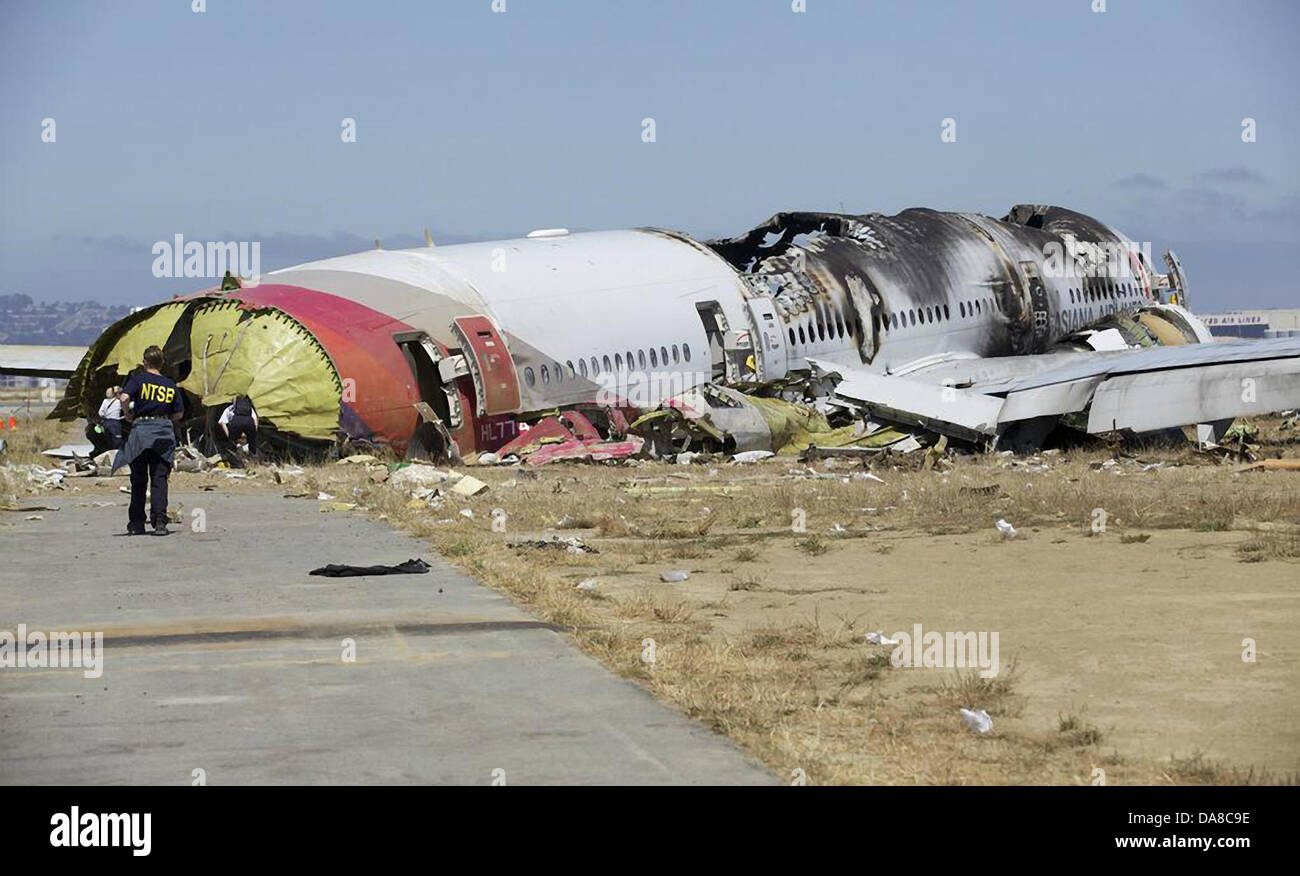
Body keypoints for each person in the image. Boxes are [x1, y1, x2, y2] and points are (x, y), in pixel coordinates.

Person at [111, 346, 184, 536]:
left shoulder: (138, 380)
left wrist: (128, 414)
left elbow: (124, 397)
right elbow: (179, 413)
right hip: (163, 434)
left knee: (139, 479)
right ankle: (160, 522)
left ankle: (136, 523)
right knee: (159, 479)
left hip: (141, 433)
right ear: (162, 363)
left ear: (144, 362)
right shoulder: (170, 384)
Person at [218, 394, 259, 460]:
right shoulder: (248, 408)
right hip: (249, 422)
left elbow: (221, 422)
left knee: (231, 445)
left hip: (236, 422)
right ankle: (253, 459)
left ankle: (235, 461)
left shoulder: (228, 409)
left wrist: (229, 436)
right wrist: (254, 433)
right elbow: (255, 420)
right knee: (252, 444)